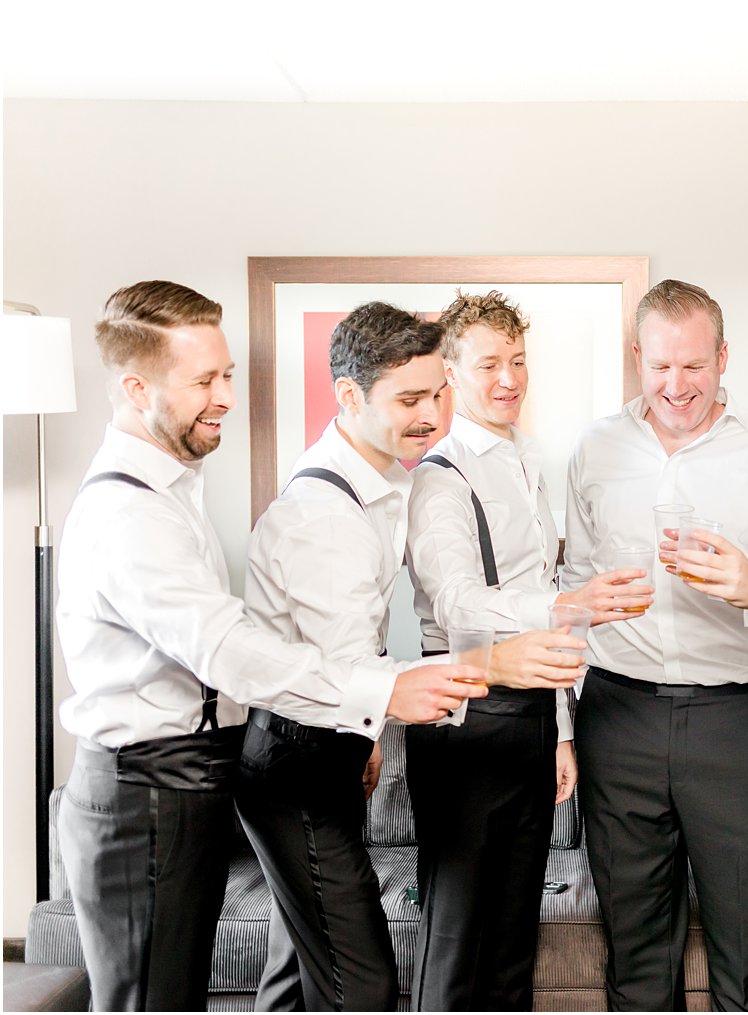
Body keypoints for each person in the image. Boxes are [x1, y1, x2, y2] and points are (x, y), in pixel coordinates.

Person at [54, 281, 488, 1012]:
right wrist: (382, 692)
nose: (226, 394)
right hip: (144, 790)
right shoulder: (127, 512)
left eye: (226, 373)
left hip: (190, 777)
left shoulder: (169, 489)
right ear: (135, 387)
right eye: (204, 380)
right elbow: (226, 649)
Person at [234, 301, 582, 1011]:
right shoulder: (325, 515)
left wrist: (362, 741)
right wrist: (496, 665)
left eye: (435, 394)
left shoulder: (386, 483)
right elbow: (342, 669)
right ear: (351, 396)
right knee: (361, 984)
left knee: (295, 977)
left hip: (328, 742)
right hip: (294, 757)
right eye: (409, 398)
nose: (429, 414)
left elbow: (346, 651)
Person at [562, 279, 748, 1011]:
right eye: (660, 367)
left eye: (694, 366)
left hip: (733, 720)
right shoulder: (594, 449)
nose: (676, 386)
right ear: (636, 358)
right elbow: (570, 592)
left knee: (745, 940)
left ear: (723, 357)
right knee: (636, 945)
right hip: (618, 713)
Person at [405, 290, 651, 1010]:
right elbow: (454, 603)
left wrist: (561, 730)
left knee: (516, 940)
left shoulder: (528, 460)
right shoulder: (437, 476)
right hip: (462, 721)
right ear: (450, 372)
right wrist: (567, 605)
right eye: (489, 364)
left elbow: (541, 589)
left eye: (517, 360)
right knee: (455, 941)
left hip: (533, 720)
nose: (509, 377)